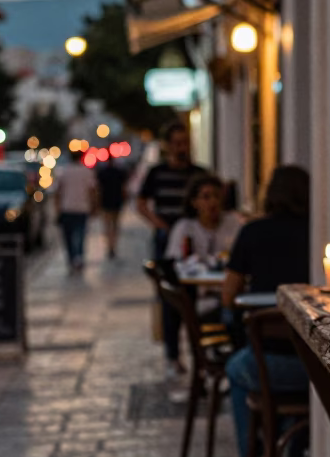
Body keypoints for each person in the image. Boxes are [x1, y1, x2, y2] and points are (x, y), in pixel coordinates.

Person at [222, 165, 311, 457]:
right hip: (316, 365)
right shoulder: (317, 231)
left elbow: (228, 296)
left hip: (268, 363)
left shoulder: (253, 232)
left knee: (237, 369)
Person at [137, 121, 206, 376]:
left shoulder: (198, 174)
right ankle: (173, 354)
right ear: (167, 146)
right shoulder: (157, 173)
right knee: (170, 297)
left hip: (194, 242)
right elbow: (141, 203)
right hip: (166, 241)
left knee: (195, 297)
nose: (181, 148)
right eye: (176, 143)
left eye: (184, 142)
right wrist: (161, 225)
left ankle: (200, 352)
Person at [164, 173, 241, 263]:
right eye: (206, 197)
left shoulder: (233, 223)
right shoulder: (184, 227)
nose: (213, 202)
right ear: (194, 202)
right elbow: (174, 259)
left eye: (217, 196)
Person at [54, 150, 98, 271]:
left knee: (68, 236)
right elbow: (93, 190)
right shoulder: (86, 172)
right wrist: (94, 206)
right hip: (82, 208)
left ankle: (71, 258)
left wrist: (57, 209)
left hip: (66, 208)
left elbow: (57, 192)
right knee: (80, 234)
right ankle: (78, 257)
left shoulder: (63, 172)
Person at [96, 157, 128, 258]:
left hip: (106, 202)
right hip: (116, 201)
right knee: (115, 225)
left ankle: (110, 245)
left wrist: (97, 203)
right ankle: (113, 245)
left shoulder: (102, 173)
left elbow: (98, 189)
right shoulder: (119, 172)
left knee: (107, 226)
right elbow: (124, 188)